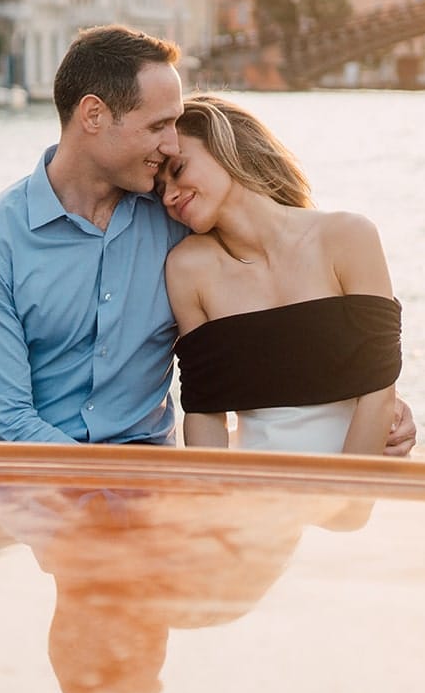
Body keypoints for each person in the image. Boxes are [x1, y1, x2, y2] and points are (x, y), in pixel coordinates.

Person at [0, 24, 416, 452]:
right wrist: (102, 491)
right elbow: (5, 421)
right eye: (158, 126)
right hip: (33, 478)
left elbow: (288, 303)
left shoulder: (183, 219)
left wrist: (376, 401)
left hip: (153, 479)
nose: (172, 144)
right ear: (93, 115)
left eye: (175, 126)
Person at [157, 94, 402, 454]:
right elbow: (206, 412)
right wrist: (212, 502)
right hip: (255, 491)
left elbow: (379, 395)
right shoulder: (187, 269)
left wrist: (349, 501)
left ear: (225, 146)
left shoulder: (348, 237)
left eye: (177, 171)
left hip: (357, 481)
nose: (169, 197)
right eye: (160, 189)